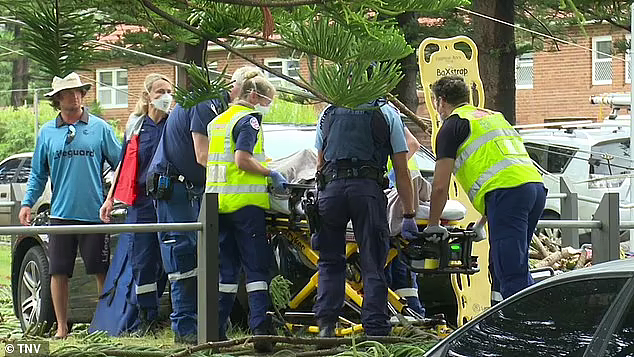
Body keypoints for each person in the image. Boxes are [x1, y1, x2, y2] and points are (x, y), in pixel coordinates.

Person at [145, 66, 260, 344]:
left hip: (191, 189)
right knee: (183, 257)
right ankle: (186, 332)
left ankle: (204, 327)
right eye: (254, 96)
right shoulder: (207, 102)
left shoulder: (221, 107)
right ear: (241, 90)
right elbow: (203, 154)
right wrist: (240, 173)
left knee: (202, 258)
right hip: (175, 189)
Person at [424, 75, 546, 302]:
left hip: (508, 194)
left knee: (510, 271)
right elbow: (503, 170)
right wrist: (481, 222)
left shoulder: (452, 126)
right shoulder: (493, 117)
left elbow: (440, 186)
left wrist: (433, 225)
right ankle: (499, 317)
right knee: (505, 265)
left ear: (441, 101)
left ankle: (520, 328)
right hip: (533, 189)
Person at [19, 72, 121, 339]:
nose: (75, 96)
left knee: (100, 269)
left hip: (94, 214)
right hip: (61, 215)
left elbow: (121, 163)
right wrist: (28, 203)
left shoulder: (100, 128)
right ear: (58, 99)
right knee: (58, 271)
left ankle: (104, 324)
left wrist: (112, 196)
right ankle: (62, 327)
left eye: (78, 91)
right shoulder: (47, 133)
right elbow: (38, 174)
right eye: (68, 93)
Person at [313, 96, 419, 337]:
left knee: (330, 261)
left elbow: (319, 163)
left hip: (331, 191)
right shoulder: (386, 112)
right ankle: (376, 330)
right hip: (366, 192)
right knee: (373, 262)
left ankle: (326, 328)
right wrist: (409, 213)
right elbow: (402, 170)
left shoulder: (329, 111)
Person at [206, 71, 287, 353]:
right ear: (253, 96)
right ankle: (261, 332)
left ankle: (215, 332)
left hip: (218, 206)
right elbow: (242, 160)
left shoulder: (217, 122)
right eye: (267, 100)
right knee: (256, 269)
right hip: (245, 205)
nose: (267, 106)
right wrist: (270, 172)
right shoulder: (248, 120)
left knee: (227, 271)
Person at [99, 73, 173, 335]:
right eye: (159, 92)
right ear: (147, 96)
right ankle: (147, 319)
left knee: (171, 260)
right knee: (143, 263)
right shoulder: (136, 125)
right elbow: (122, 163)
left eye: (169, 91)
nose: (166, 96)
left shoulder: (174, 123)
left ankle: (175, 317)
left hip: (169, 202)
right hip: (141, 203)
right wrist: (109, 199)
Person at [385, 127, 425, 317]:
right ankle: (412, 314)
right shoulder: (388, 114)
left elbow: (412, 145)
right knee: (402, 270)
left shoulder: (378, 114)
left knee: (393, 267)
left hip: (397, 195)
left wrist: (389, 176)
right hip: (406, 201)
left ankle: (405, 315)